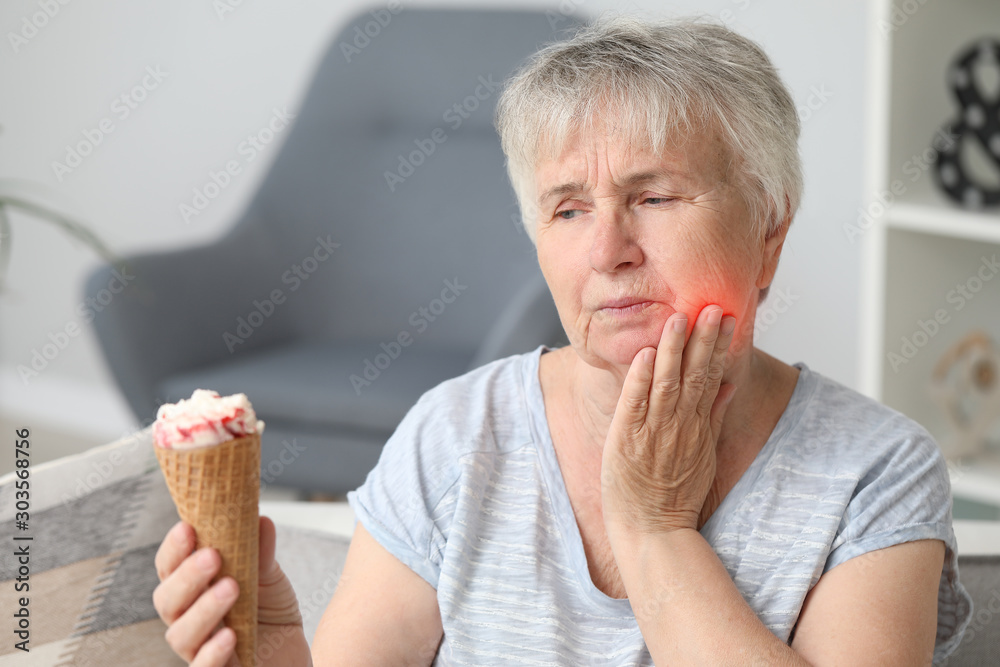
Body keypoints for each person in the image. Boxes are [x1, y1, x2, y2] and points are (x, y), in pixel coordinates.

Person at [152, 15, 973, 666]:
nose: (608, 250)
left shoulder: (874, 470)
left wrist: (655, 528)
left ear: (769, 230)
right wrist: (275, 652)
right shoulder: (455, 434)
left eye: (653, 196)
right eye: (568, 209)